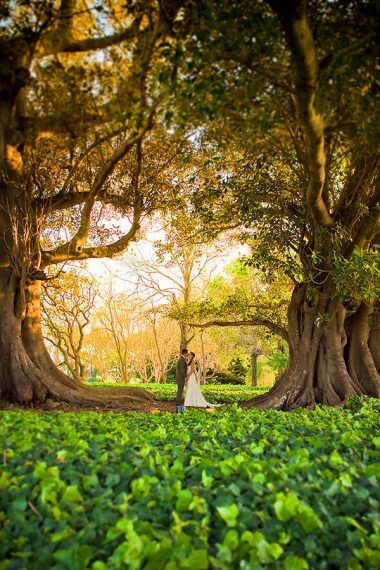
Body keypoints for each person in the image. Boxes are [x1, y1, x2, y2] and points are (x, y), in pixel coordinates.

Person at [175, 348, 188, 412]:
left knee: (180, 389)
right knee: (180, 389)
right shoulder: (182, 359)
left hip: (180, 377)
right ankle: (177, 402)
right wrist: (185, 377)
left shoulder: (182, 359)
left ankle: (178, 401)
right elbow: (182, 369)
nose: (187, 354)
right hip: (180, 377)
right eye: (187, 353)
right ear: (185, 353)